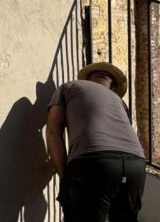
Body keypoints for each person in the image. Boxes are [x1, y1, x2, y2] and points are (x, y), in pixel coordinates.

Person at [46, 62, 145, 222]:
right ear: (112, 87)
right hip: (136, 164)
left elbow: (53, 131)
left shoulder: (69, 87)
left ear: (89, 79)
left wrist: (66, 177)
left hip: (94, 162)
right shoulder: (120, 102)